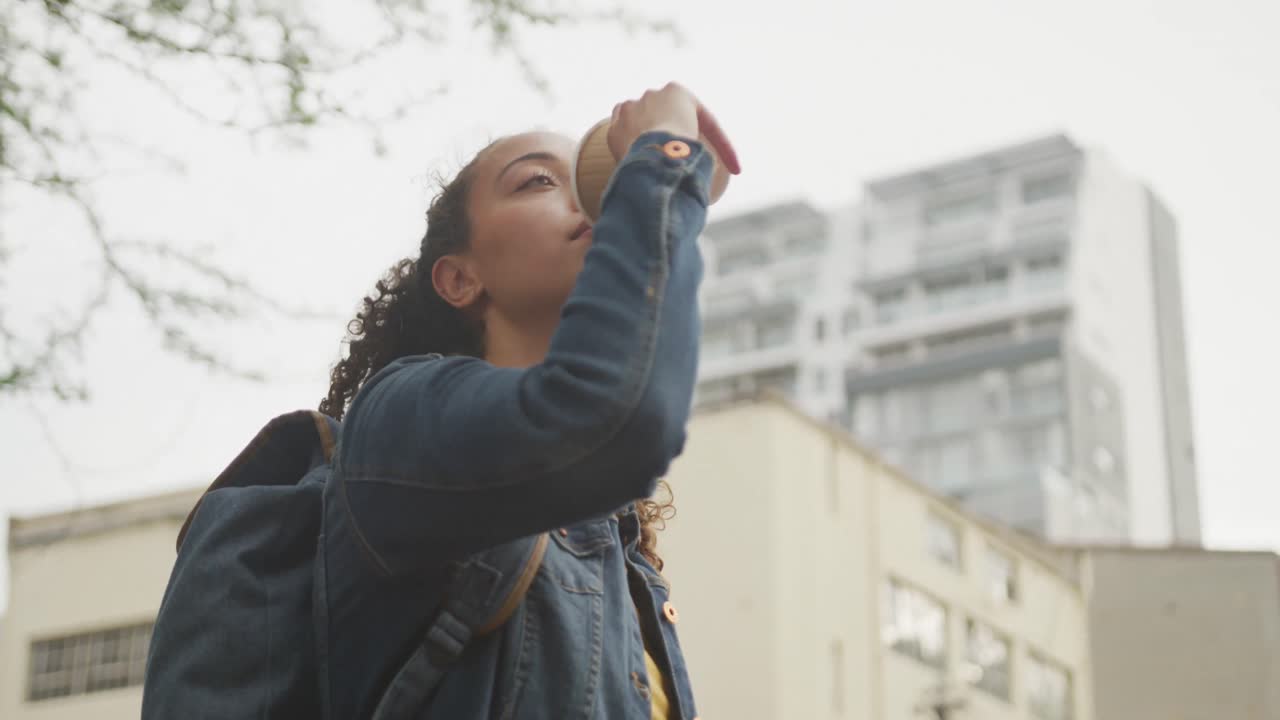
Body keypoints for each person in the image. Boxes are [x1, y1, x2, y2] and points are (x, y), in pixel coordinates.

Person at [315, 82, 741, 719]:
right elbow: (615, 415)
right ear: (460, 279)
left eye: (592, 174)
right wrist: (661, 158)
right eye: (541, 182)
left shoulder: (625, 559)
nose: (594, 194)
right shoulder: (401, 421)